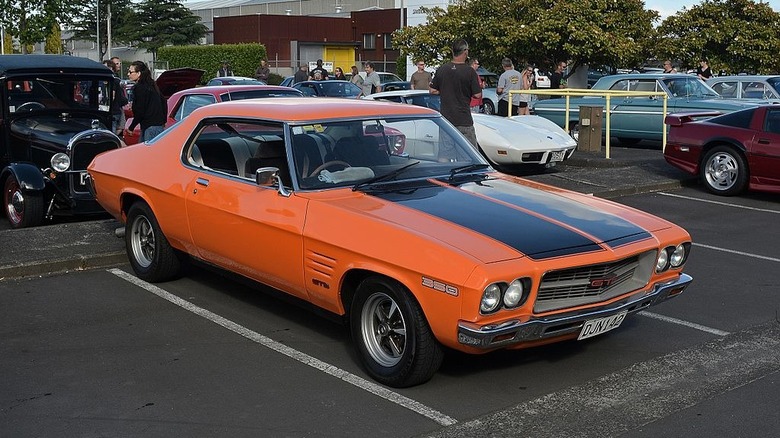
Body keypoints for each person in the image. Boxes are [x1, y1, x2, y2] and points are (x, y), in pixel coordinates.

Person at [429, 39, 482, 148]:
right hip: (463, 119)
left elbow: (432, 90)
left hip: (446, 119)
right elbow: (477, 95)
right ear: (465, 52)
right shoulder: (470, 72)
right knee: (469, 153)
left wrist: (445, 91)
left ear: (453, 52)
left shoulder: (442, 69)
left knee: (445, 154)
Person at [127, 61, 166, 142]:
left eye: (130, 72)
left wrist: (131, 127)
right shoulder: (152, 85)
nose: (128, 74)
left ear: (139, 73)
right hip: (157, 126)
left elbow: (140, 110)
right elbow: (164, 102)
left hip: (149, 127)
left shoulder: (139, 88)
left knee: (147, 152)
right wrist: (163, 120)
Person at [102, 60, 128, 137]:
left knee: (111, 132)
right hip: (113, 111)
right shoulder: (102, 81)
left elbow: (111, 97)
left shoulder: (113, 81)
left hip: (112, 112)